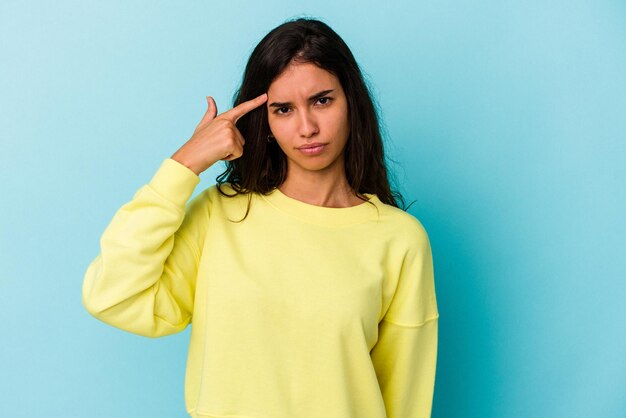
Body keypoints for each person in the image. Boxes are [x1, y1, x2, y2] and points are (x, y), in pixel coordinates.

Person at [82, 17, 439, 418]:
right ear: (265, 122)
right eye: (283, 109)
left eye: (322, 100)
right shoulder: (221, 214)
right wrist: (184, 164)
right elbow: (112, 294)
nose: (307, 128)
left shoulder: (399, 239)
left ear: (352, 102)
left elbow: (404, 399)